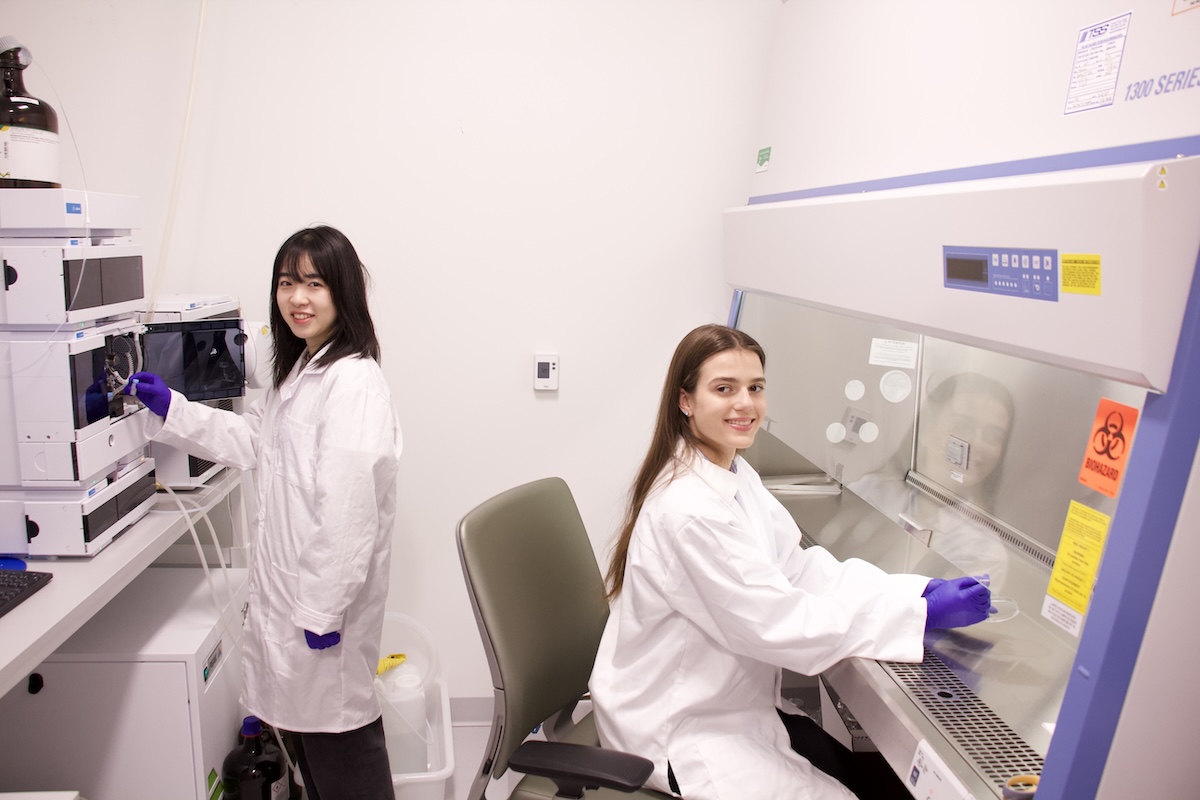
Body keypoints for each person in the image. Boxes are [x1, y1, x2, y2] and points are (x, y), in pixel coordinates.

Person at [589, 323, 990, 800]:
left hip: (726, 711)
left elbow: (799, 569)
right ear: (686, 400)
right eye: (724, 389)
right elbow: (779, 625)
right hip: (682, 736)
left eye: (755, 388)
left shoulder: (733, 471)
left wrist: (911, 592)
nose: (745, 404)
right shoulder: (690, 511)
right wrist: (916, 618)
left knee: (859, 777)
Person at [125, 225, 402, 800]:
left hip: (322, 622)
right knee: (311, 753)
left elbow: (347, 516)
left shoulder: (353, 384)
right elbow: (258, 442)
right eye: (285, 283)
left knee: (343, 750)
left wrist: (323, 613)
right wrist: (173, 409)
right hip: (291, 609)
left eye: (314, 283)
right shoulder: (300, 372)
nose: (297, 298)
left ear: (342, 293)